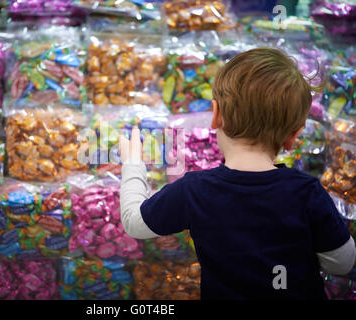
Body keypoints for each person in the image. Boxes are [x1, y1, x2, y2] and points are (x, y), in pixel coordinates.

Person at [119, 48, 355, 300]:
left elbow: (135, 223)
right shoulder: (307, 192)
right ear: (293, 136)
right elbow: (341, 263)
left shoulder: (194, 190)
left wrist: (133, 163)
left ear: (216, 115)